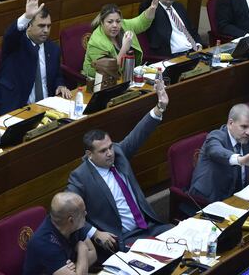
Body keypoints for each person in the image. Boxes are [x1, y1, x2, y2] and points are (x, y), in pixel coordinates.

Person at [66, 80, 171, 254]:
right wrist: (95, 232)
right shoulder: (80, 177)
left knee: (182, 243)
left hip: (149, 227)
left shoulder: (119, 153)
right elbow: (68, 212)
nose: (110, 153)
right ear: (89, 154)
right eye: (103, 151)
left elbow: (140, 133)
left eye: (110, 147)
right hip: (123, 238)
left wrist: (160, 107)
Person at [0, 0, 70, 114]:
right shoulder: (16, 44)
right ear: (29, 26)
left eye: (49, 26)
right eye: (41, 26)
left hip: (48, 106)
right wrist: (26, 17)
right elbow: (10, 35)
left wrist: (60, 85)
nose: (46, 30)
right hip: (19, 107)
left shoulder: (53, 48)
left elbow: (57, 75)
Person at [21, 191, 97, 275]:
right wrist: (82, 249)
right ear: (71, 220)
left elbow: (93, 253)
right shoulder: (44, 243)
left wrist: (76, 265)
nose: (86, 213)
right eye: (83, 212)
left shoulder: (74, 225)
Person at [82, 0, 159, 80]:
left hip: (125, 75)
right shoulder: (96, 41)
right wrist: (124, 48)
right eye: (110, 22)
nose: (115, 25)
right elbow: (109, 69)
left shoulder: (123, 25)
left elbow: (141, 22)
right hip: (98, 80)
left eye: (118, 21)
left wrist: (153, 8)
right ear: (102, 22)